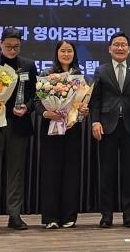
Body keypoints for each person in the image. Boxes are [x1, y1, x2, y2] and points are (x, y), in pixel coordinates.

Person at [0, 27, 37, 231]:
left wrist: (27, 107)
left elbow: (36, 95)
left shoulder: (28, 65)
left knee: (16, 171)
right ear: (0, 44)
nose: (12, 50)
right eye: (9, 46)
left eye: (16, 46)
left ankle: (14, 214)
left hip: (18, 124)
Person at [91, 32, 130, 228]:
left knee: (129, 172)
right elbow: (95, 100)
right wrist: (95, 122)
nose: (120, 47)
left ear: (129, 49)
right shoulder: (101, 70)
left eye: (123, 44)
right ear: (110, 49)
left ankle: (128, 214)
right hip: (107, 127)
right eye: (116, 44)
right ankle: (106, 215)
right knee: (106, 172)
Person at [35, 40, 89, 229]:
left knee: (71, 171)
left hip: (72, 128)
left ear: (74, 54)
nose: (66, 54)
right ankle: (50, 217)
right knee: (50, 171)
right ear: (57, 53)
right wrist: (46, 113)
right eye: (63, 51)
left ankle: (68, 216)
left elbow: (82, 102)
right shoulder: (46, 74)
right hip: (51, 126)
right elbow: (37, 101)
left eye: (69, 51)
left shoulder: (79, 76)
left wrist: (82, 112)